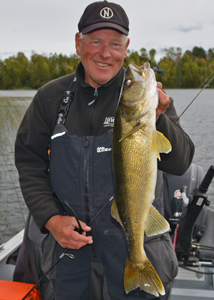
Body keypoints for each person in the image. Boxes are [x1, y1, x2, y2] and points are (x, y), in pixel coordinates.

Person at [14, 1, 195, 300]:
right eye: (95, 41)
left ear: (126, 48)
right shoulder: (50, 97)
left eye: (115, 44)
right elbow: (29, 164)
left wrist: (160, 118)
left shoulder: (152, 103)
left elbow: (181, 163)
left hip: (136, 246)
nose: (105, 53)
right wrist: (50, 219)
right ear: (78, 43)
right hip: (69, 254)